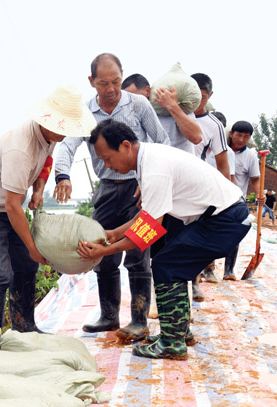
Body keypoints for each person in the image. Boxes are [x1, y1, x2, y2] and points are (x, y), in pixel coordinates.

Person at [77, 119, 250, 360]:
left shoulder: (153, 166)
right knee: (170, 263)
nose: (107, 165)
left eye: (107, 158)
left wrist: (103, 252)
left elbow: (148, 230)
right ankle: (179, 332)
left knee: (167, 265)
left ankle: (172, 343)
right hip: (218, 216)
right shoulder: (147, 160)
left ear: (125, 146)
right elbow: (148, 213)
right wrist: (114, 234)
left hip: (225, 219)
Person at [0, 85, 96, 351]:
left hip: (6, 207)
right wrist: (33, 247)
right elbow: (13, 206)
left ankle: (25, 326)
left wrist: (38, 190)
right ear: (46, 120)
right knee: (0, 274)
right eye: (63, 128)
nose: (65, 135)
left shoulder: (49, 137)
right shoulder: (19, 148)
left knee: (26, 266)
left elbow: (46, 163)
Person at [54, 53, 169, 343]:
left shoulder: (139, 105)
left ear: (122, 77)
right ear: (91, 82)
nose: (111, 89)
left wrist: (149, 179)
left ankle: (139, 320)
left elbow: (161, 142)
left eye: (116, 81)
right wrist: (62, 175)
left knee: (138, 252)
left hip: (137, 187)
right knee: (101, 248)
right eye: (103, 83)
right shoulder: (85, 113)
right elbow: (67, 146)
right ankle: (108, 316)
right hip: (106, 189)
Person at [190, 73, 231, 293]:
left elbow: (223, 164)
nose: (197, 102)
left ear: (210, 95)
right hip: (169, 186)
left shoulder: (214, 125)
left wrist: (223, 197)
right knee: (159, 235)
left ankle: (194, 281)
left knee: (196, 236)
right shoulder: (171, 115)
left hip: (198, 188)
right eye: (193, 96)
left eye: (202, 97)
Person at [223, 120, 262, 280]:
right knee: (210, 232)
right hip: (216, 198)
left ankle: (229, 270)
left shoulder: (250, 157)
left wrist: (260, 194)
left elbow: (255, 179)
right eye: (238, 135)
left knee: (234, 234)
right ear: (231, 134)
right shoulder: (221, 150)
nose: (241, 140)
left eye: (246, 137)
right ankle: (207, 268)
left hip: (237, 201)